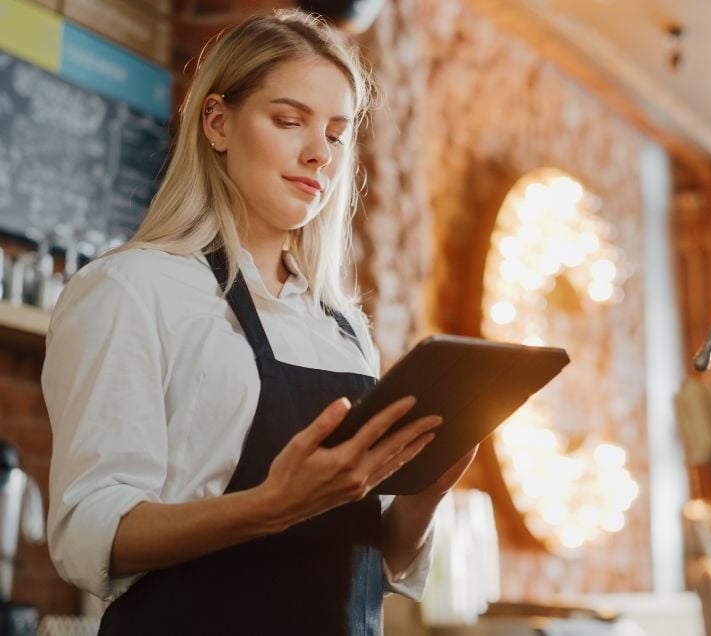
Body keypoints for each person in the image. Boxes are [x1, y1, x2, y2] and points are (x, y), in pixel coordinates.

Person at [41, 9, 475, 635]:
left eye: (335, 132)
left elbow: (372, 564)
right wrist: (269, 508)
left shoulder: (344, 328)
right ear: (217, 122)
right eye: (288, 120)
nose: (318, 153)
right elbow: (89, 532)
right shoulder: (132, 289)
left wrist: (427, 490)